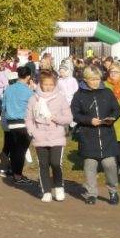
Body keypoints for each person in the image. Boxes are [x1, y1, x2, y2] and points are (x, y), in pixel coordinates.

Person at [71, 64, 120, 206]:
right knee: (90, 165)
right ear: (85, 79)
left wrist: (112, 118)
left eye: (97, 79)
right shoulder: (79, 95)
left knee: (109, 164)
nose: (95, 82)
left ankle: (113, 191)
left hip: (107, 135)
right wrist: (89, 120)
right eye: (92, 79)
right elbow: (75, 114)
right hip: (88, 136)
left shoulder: (107, 92)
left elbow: (117, 109)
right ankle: (91, 193)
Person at [25, 69, 73, 203]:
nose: (48, 87)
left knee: (56, 163)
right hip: (39, 137)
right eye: (45, 84)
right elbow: (28, 119)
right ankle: (46, 191)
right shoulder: (33, 99)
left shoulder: (60, 98)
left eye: (51, 84)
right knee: (43, 164)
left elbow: (68, 118)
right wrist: (32, 131)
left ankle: (59, 186)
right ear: (40, 84)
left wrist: (56, 118)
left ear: (55, 84)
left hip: (57, 136)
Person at [0, 64, 35, 184]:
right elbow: (33, 108)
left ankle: (15, 172)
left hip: (10, 123)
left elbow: (3, 106)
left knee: (15, 149)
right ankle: (18, 175)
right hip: (23, 123)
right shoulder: (28, 91)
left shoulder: (9, 89)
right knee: (21, 151)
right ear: (28, 77)